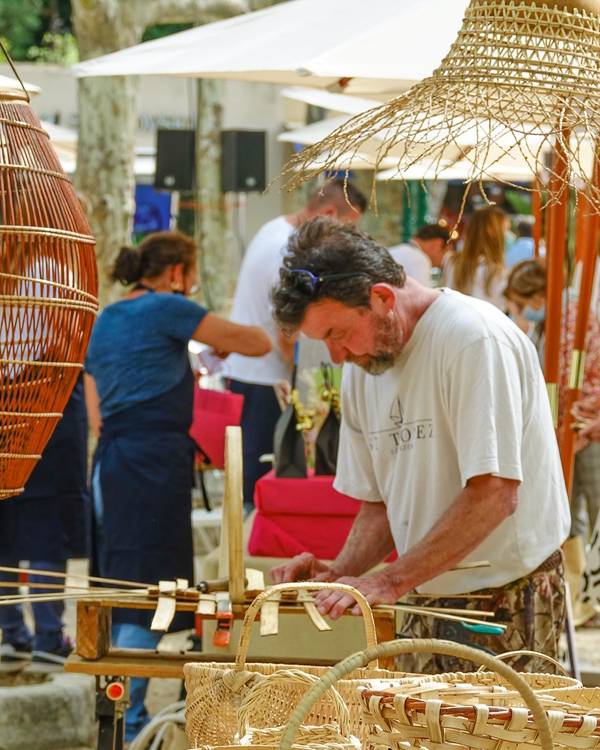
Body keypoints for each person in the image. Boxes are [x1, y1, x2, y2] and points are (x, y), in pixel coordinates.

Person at [270, 217, 570, 673]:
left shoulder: (472, 338)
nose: (337, 356)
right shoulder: (362, 370)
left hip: (506, 594)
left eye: (337, 334)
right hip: (422, 591)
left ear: (383, 298)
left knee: (501, 741)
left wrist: (391, 580)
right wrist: (341, 574)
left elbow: (494, 493)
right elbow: (381, 504)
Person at [84, 231, 270, 741]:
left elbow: (96, 409)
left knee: (122, 584)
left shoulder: (106, 317)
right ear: (175, 275)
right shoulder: (167, 307)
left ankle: (119, 714)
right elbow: (255, 342)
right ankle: (133, 720)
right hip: (150, 464)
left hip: (111, 463)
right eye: (190, 277)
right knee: (148, 591)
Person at [226, 179, 367, 510]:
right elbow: (286, 328)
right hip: (266, 379)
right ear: (329, 212)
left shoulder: (273, 228)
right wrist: (303, 380)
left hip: (251, 373)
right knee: (263, 484)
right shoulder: (288, 248)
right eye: (347, 227)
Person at [504, 260, 600, 623]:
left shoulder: (569, 318)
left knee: (590, 512)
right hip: (572, 425)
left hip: (584, 425)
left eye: (521, 302)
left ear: (539, 295)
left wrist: (572, 428)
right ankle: (581, 598)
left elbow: (578, 374)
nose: (522, 311)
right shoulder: (554, 318)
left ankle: (587, 595)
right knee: (573, 514)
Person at [0, 376, 89, 662]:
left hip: (9, 409)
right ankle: (47, 636)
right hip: (52, 408)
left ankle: (11, 629)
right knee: (48, 526)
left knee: (6, 522)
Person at [444, 205, 508, 309]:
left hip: (453, 322)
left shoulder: (450, 261)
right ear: (497, 234)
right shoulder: (497, 271)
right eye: (505, 231)